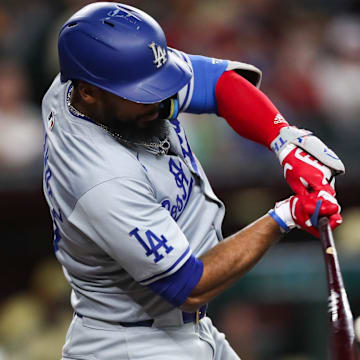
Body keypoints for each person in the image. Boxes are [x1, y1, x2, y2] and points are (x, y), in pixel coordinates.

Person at [41, 3, 344, 359]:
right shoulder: (99, 178)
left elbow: (215, 82)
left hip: (183, 330)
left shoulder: (95, 86)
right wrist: (286, 217)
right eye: (141, 93)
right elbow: (189, 285)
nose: (157, 99)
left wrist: (284, 142)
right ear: (88, 92)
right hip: (132, 346)